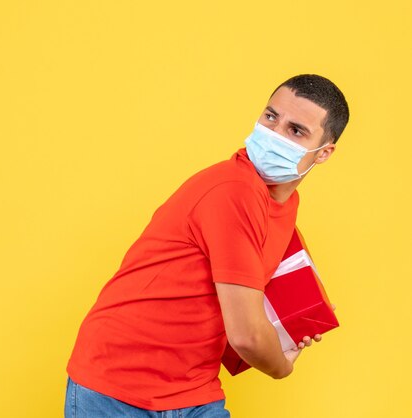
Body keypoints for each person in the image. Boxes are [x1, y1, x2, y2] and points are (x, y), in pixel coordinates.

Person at [64, 74, 350, 417]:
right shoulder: (234, 190)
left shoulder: (284, 205)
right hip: (117, 385)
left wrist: (294, 324)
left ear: (324, 153)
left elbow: (242, 300)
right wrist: (280, 364)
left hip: (191, 388)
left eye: (296, 131)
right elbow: (246, 336)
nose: (274, 134)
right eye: (271, 116)